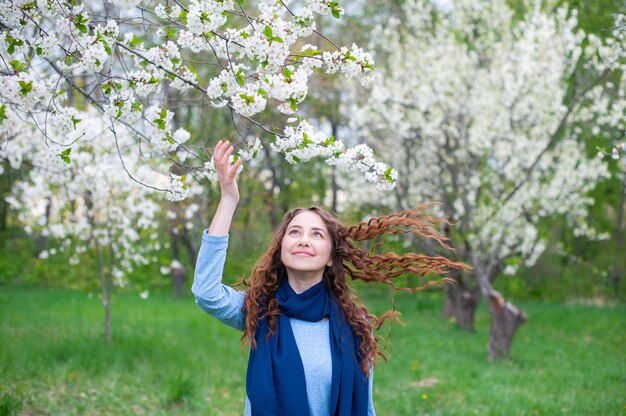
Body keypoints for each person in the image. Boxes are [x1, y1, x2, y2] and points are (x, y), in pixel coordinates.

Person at [192, 140, 469, 416]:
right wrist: (228, 200)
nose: (303, 240)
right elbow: (206, 292)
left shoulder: (355, 325)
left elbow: (365, 407)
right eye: (295, 232)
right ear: (281, 249)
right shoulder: (258, 310)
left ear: (329, 257)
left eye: (316, 234)